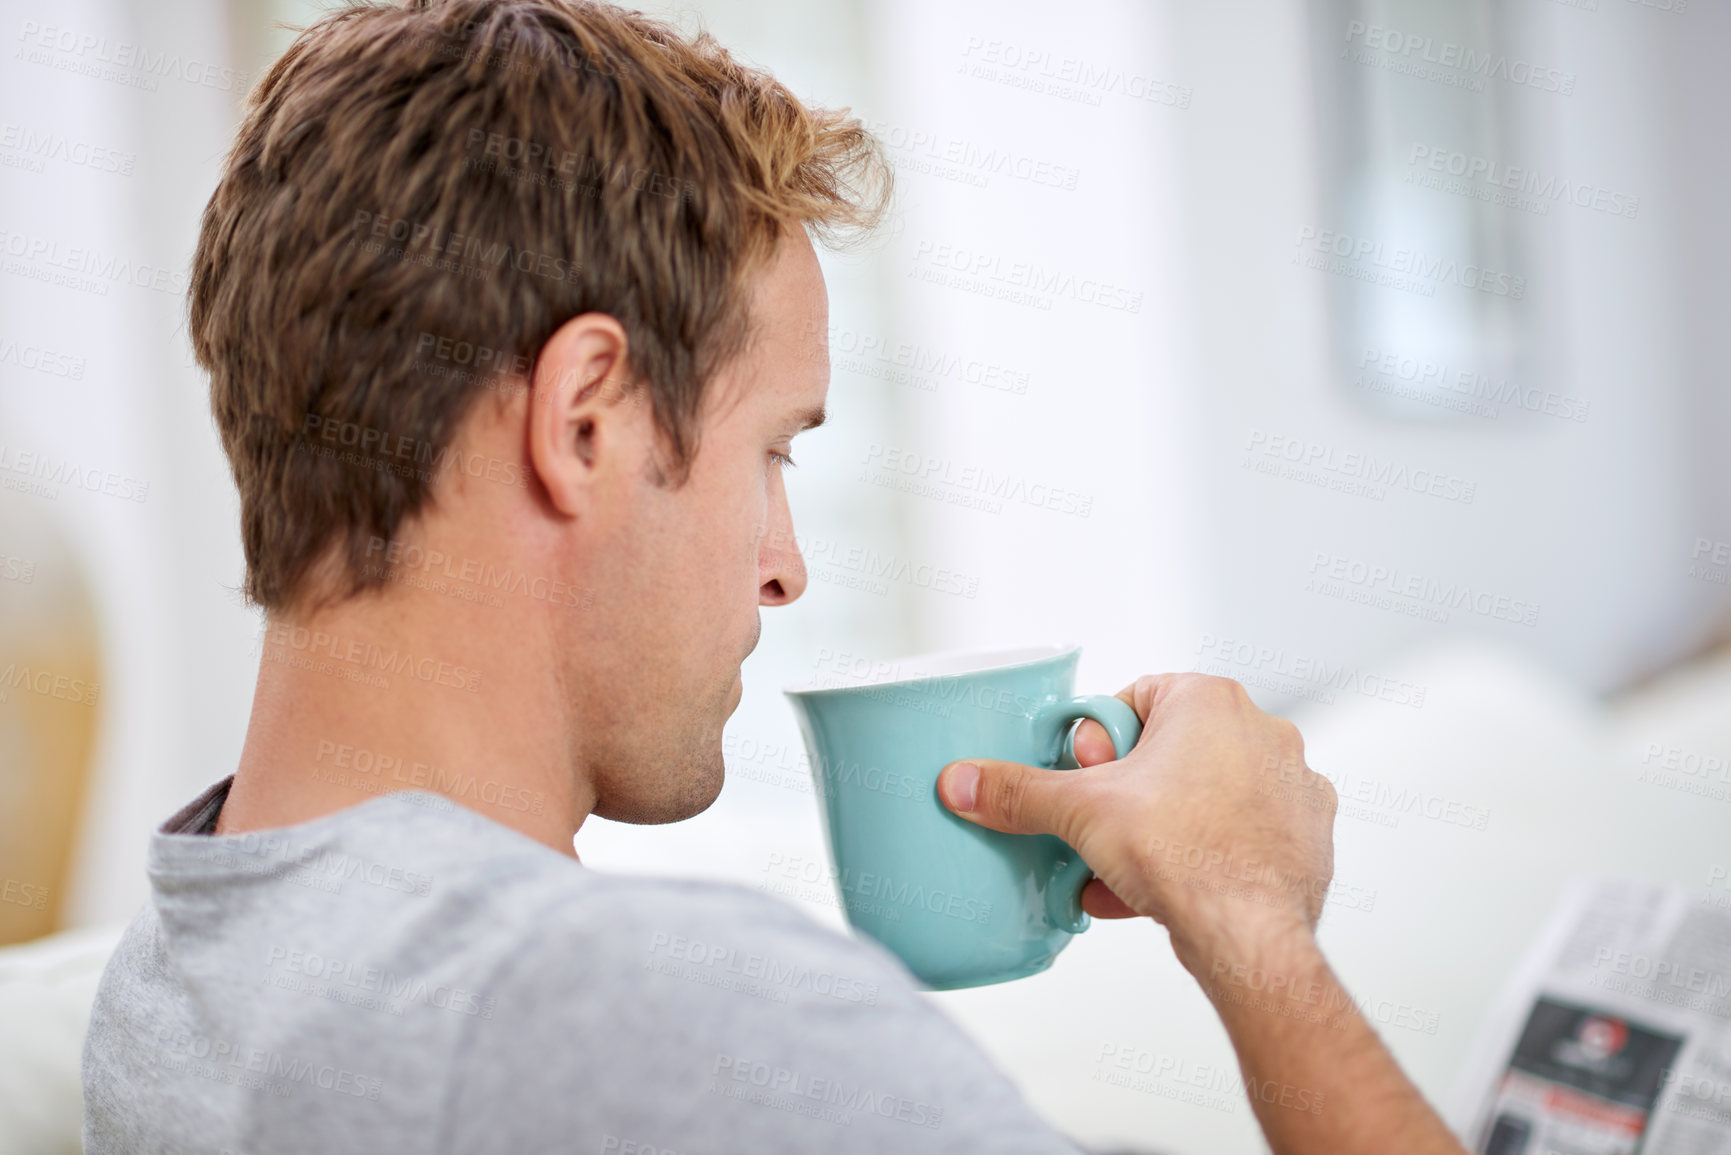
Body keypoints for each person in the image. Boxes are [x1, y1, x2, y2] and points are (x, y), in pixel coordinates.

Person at [81, 1, 1471, 1152]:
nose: (788, 571)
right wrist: (1251, 913)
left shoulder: (169, 982)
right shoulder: (650, 1014)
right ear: (585, 424)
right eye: (772, 453)